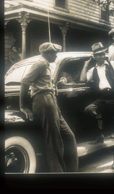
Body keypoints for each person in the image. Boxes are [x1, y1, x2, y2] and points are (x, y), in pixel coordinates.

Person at [19, 42, 78, 172]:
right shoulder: (40, 63)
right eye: (55, 53)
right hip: (44, 101)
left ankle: (72, 171)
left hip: (51, 101)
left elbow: (45, 84)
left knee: (69, 136)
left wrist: (57, 84)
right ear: (49, 54)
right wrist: (22, 106)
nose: (56, 55)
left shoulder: (46, 65)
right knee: (53, 143)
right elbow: (24, 82)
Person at [80, 42, 114, 168]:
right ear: (94, 57)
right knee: (88, 110)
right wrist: (85, 65)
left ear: (104, 54)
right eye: (98, 55)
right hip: (102, 98)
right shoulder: (92, 69)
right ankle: (99, 135)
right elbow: (82, 79)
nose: (101, 56)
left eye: (102, 54)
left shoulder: (113, 64)